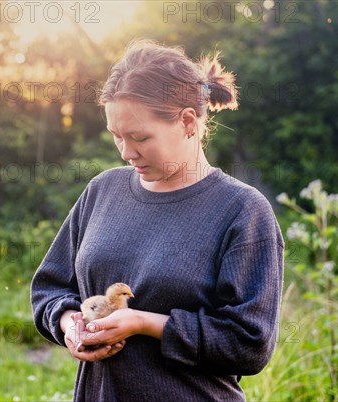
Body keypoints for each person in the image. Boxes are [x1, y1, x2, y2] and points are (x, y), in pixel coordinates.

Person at [31, 39, 284, 401]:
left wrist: (144, 323)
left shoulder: (242, 211)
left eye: (139, 137)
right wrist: (70, 324)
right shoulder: (103, 191)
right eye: (117, 136)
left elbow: (250, 344)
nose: (125, 152)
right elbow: (50, 289)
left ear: (187, 122)